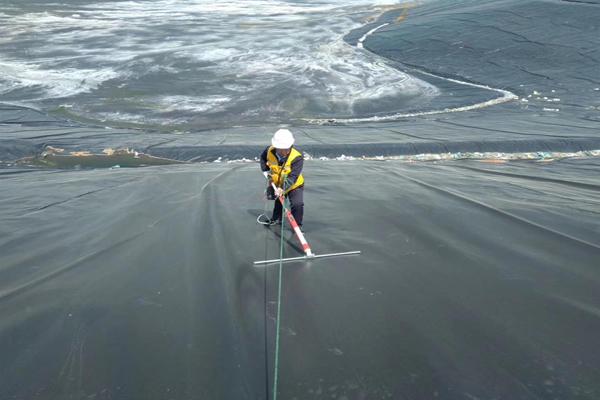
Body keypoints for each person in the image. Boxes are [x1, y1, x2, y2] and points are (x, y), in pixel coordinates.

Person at [260, 128, 304, 228]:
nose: (287, 151)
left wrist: (283, 188)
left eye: (288, 148)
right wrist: (266, 172)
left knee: (297, 204)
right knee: (279, 201)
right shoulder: (269, 150)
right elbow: (262, 158)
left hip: (294, 185)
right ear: (277, 147)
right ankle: (276, 219)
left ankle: (297, 226)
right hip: (278, 182)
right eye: (284, 149)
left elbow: (293, 176)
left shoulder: (297, 156)